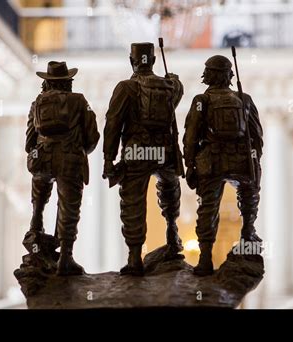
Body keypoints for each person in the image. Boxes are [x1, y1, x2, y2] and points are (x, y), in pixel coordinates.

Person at [102, 42, 184, 276]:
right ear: (154, 61)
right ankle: (172, 234)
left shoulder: (126, 87)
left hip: (137, 152)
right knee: (170, 191)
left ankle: (134, 257)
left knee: (133, 202)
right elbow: (171, 106)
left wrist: (109, 158)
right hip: (165, 152)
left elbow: (113, 124)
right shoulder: (172, 87)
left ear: (132, 61)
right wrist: (174, 80)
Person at [183, 55, 264, 276]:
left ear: (207, 76)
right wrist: (254, 161)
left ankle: (205, 260)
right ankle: (248, 234)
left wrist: (189, 165)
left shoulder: (202, 100)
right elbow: (256, 136)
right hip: (240, 160)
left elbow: (190, 136)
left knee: (207, 209)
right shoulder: (244, 99)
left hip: (212, 162)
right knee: (249, 198)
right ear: (230, 76)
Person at [26, 61, 99, 276]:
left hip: (43, 160)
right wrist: (80, 150)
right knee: (69, 208)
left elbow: (29, 142)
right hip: (70, 160)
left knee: (38, 204)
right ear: (68, 82)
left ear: (46, 83)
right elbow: (92, 136)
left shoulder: (37, 103)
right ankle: (65, 258)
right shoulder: (79, 101)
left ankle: (36, 243)